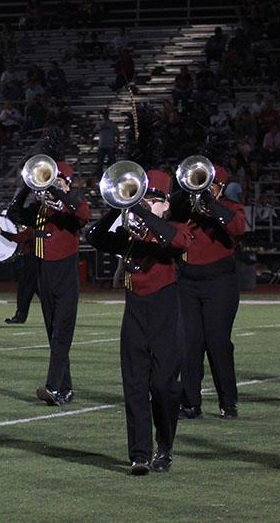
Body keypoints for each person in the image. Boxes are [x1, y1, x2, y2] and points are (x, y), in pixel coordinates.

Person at [87, 170, 193, 475]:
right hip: (134, 316)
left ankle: (166, 445)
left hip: (166, 315)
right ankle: (140, 454)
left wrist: (144, 215)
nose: (147, 203)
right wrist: (118, 205)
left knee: (163, 387)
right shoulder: (130, 238)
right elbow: (94, 236)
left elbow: (177, 242)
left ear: (167, 204)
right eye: (143, 197)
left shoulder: (175, 227)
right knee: (134, 388)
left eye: (153, 199)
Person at [7, 160, 90, 406]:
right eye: (49, 180)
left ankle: (53, 387)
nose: (52, 184)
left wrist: (55, 190)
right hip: (45, 275)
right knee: (54, 334)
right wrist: (26, 185)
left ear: (67, 183)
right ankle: (65, 389)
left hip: (65, 275)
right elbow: (13, 213)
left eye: (58, 180)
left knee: (61, 335)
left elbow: (84, 215)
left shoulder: (71, 208)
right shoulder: (40, 209)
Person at [172, 165, 246, 420]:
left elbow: (238, 228)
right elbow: (171, 213)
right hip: (188, 283)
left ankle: (228, 402)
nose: (203, 189)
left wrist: (210, 203)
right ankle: (190, 403)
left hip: (220, 283)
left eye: (209, 185)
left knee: (218, 342)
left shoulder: (230, 208)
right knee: (189, 344)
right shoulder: (186, 209)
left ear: (221, 188)